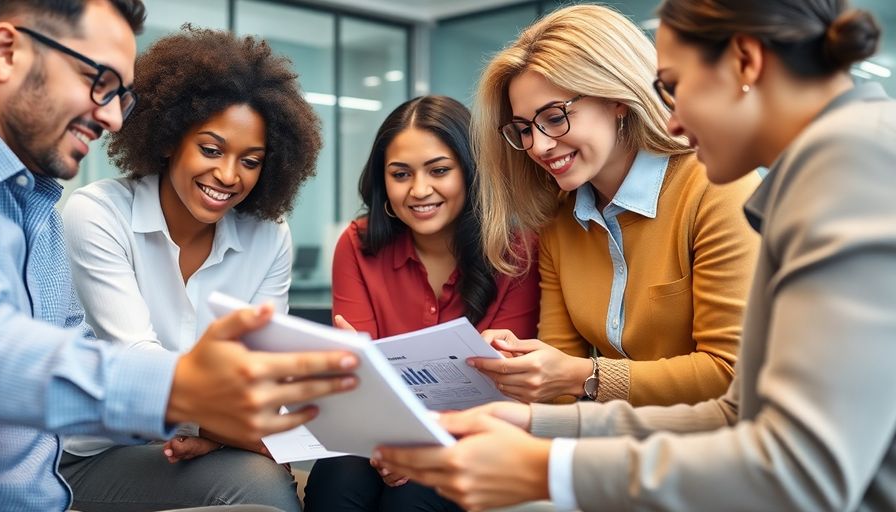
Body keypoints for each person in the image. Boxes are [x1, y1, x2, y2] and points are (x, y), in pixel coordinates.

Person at [377, 1, 896, 511]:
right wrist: (535, 424)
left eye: (673, 87)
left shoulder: (851, 170)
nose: (671, 121)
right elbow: (736, 413)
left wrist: (546, 467)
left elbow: (802, 472)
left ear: (745, 62)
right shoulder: (828, 165)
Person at [0, 1, 357, 510]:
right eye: (97, 81)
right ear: (6, 50)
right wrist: (187, 389)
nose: (110, 117)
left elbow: (75, 350)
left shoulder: (31, 200)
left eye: (120, 97)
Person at [57, 27, 321, 512]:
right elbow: (137, 364)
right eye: (212, 149)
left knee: (270, 487)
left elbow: (259, 375)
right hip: (95, 454)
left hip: (205, 442)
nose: (228, 175)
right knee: (264, 480)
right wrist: (223, 430)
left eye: (251, 160)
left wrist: (224, 434)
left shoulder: (268, 237)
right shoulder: (97, 214)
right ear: (168, 140)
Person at [467, 4, 760, 407]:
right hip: (619, 446)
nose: (539, 145)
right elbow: (560, 378)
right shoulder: (558, 217)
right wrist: (525, 368)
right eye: (523, 129)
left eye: (554, 117)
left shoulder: (716, 187)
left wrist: (585, 376)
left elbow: (730, 373)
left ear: (617, 98)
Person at [302, 96, 540, 512]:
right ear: (383, 181)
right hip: (377, 429)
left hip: (475, 435)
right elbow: (362, 378)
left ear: (470, 171)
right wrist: (391, 442)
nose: (419, 190)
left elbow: (502, 389)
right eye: (400, 174)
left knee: (412, 498)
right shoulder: (357, 245)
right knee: (337, 478)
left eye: (439, 170)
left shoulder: (516, 252)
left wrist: (420, 447)